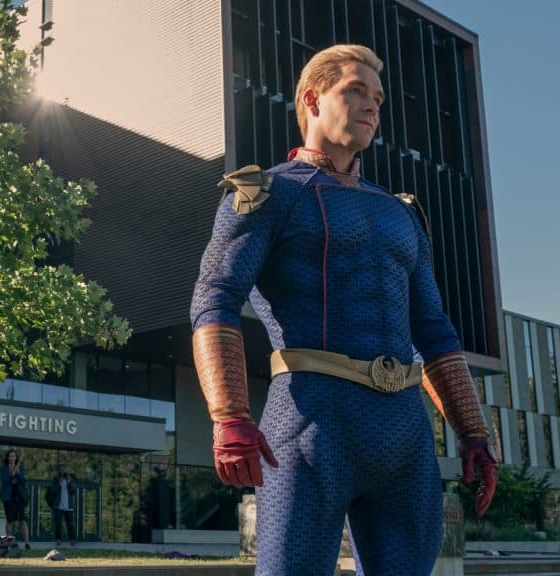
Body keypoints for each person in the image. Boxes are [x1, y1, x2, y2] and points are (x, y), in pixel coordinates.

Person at [189, 44, 497, 575]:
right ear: (312, 99)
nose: (372, 106)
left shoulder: (400, 212)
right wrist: (230, 417)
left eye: (377, 97)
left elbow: (434, 331)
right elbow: (214, 298)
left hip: (405, 434)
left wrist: (473, 433)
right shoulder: (266, 194)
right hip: (311, 427)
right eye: (355, 91)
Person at [0, 449, 30, 550]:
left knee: (22, 521)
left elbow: (24, 480)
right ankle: (9, 544)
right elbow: (5, 480)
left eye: (14, 456)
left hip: (19, 498)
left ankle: (27, 544)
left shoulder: (20, 467)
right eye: (10, 456)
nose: (12, 458)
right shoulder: (4, 468)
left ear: (16, 458)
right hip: (8, 498)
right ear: (7, 458)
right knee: (10, 521)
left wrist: (18, 473)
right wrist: (12, 474)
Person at [45, 464, 77, 546]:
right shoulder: (56, 479)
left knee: (70, 524)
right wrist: (58, 485)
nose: (62, 471)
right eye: (61, 469)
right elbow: (51, 491)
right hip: (58, 506)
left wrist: (69, 483)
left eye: (64, 469)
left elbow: (73, 491)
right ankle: (58, 539)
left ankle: (72, 539)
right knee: (58, 524)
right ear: (59, 471)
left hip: (68, 506)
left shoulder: (70, 478)